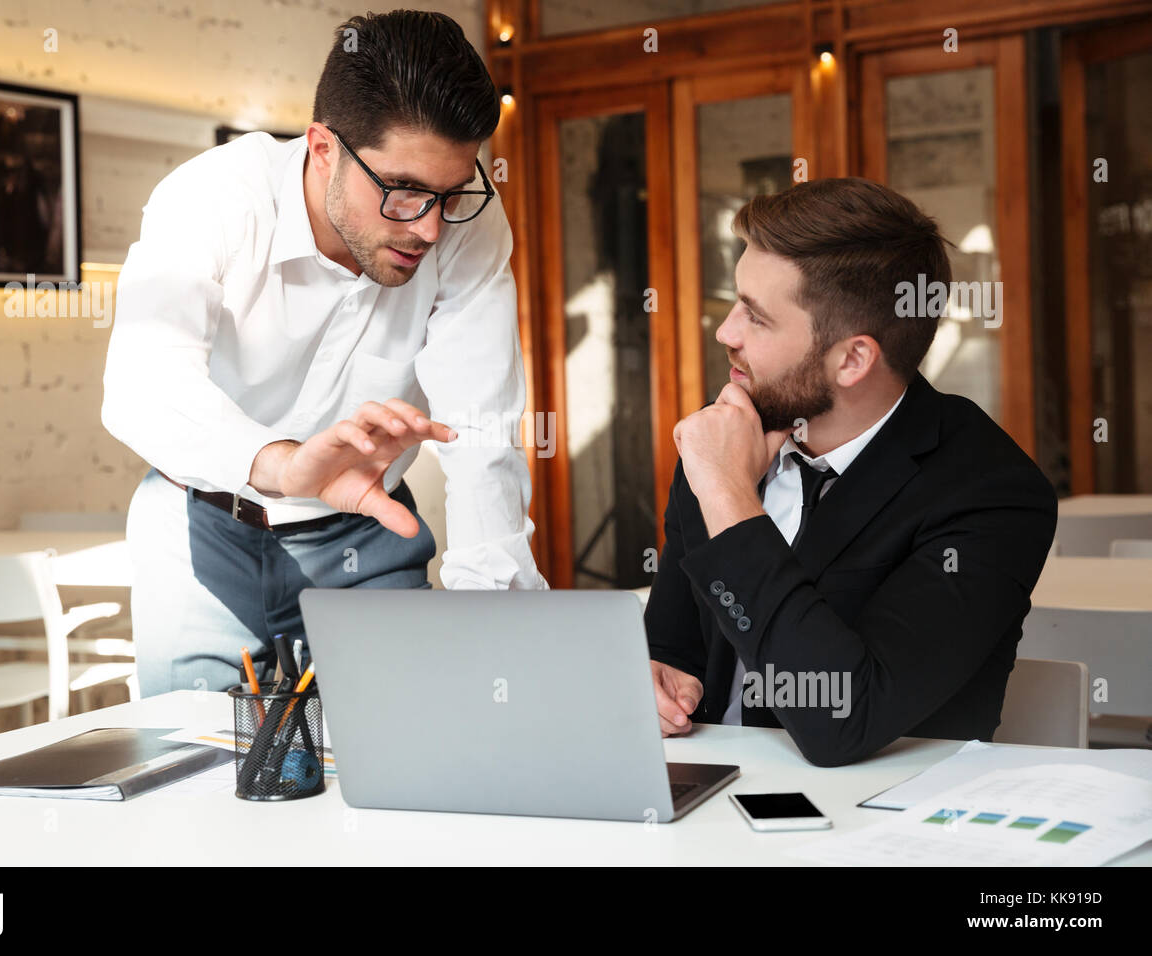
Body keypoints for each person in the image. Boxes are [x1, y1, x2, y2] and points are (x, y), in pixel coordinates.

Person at [102, 10, 546, 697]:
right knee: (195, 773)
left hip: (368, 534)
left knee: (419, 742)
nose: (430, 226)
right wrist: (282, 464)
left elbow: (480, 431)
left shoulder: (468, 221)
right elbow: (143, 385)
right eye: (403, 191)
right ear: (321, 149)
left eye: (451, 193)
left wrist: (494, 624)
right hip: (203, 530)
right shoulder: (211, 199)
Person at [646, 177, 1057, 767]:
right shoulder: (727, 440)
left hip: (890, 827)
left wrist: (729, 494)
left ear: (853, 359)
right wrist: (654, 685)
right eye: (736, 302)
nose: (725, 332)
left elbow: (843, 717)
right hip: (710, 813)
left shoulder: (991, 495)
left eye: (756, 318)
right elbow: (671, 648)